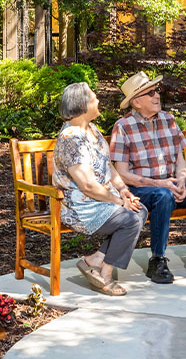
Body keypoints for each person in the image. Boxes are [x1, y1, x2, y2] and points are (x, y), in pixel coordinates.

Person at [110, 71, 186, 284]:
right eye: (150, 93)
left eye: (157, 91)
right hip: (142, 189)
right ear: (137, 102)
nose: (157, 96)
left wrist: (182, 181)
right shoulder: (123, 127)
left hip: (169, 183)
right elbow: (122, 174)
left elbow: (180, 159)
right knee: (162, 195)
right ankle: (157, 259)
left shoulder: (169, 119)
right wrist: (161, 184)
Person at [52, 82, 148, 296]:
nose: (98, 101)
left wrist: (123, 190)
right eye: (94, 98)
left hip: (101, 201)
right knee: (130, 218)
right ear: (82, 105)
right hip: (79, 208)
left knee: (139, 209)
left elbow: (107, 165)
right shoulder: (71, 139)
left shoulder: (91, 130)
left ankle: (95, 260)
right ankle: (105, 274)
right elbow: (87, 186)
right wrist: (120, 202)